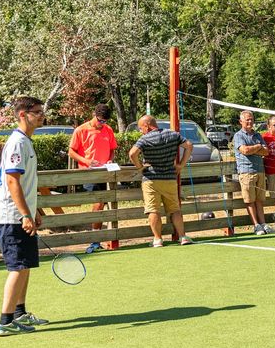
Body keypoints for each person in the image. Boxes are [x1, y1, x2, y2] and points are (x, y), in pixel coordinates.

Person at [0, 96, 49, 337]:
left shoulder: (25, 141)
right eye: (36, 112)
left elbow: (24, 184)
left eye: (41, 111)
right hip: (11, 217)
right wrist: (25, 213)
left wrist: (33, 210)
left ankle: (19, 313)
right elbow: (12, 181)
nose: (41, 115)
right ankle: (4, 322)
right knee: (17, 267)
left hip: (21, 215)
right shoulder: (17, 142)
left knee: (25, 265)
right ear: (22, 115)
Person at [129, 115, 194, 247]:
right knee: (175, 209)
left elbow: (132, 154)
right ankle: (182, 237)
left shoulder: (144, 139)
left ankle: (158, 239)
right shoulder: (172, 134)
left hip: (151, 179)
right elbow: (189, 146)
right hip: (169, 178)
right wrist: (181, 165)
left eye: (141, 128)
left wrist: (140, 168)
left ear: (147, 125)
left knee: (153, 210)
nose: (141, 131)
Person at [68, 104, 118, 254]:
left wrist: (110, 160)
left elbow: (112, 150)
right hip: (88, 172)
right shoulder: (81, 130)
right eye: (100, 120)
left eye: (105, 121)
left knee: (103, 204)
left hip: (105, 171)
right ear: (94, 114)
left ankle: (100, 238)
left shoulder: (108, 129)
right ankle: (94, 240)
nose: (102, 124)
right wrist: (87, 161)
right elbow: (71, 151)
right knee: (99, 203)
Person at [233, 110, 272, 234]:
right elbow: (244, 150)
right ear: (241, 122)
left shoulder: (257, 135)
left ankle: (263, 224)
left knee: (260, 200)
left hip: (260, 171)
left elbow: (266, 152)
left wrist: (255, 148)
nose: (250, 122)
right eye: (247, 119)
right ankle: (256, 226)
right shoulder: (238, 136)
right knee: (250, 200)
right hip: (246, 172)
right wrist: (258, 147)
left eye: (251, 119)